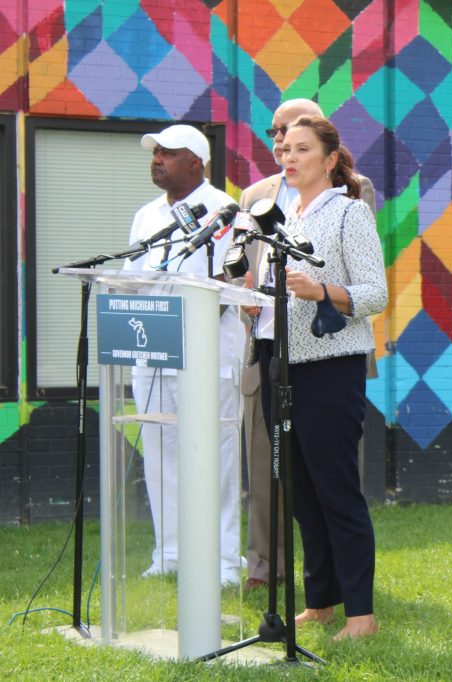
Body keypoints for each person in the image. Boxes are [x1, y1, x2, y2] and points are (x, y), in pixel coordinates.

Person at [252, 115, 386, 639]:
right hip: (279, 363)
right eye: (286, 149)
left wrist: (321, 292)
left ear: (330, 160)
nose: (289, 157)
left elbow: (375, 293)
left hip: (331, 369)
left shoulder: (350, 214)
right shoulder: (287, 216)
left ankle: (362, 616)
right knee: (302, 493)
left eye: (302, 150)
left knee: (336, 492)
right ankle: (322, 602)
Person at [123, 124, 244, 585]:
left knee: (215, 453)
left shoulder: (228, 211)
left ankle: (224, 561)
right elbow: (132, 277)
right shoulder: (146, 215)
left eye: (166, 153)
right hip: (151, 351)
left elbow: (235, 284)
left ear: (196, 161)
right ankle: (169, 552)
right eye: (154, 153)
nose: (156, 160)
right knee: (159, 450)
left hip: (207, 354)